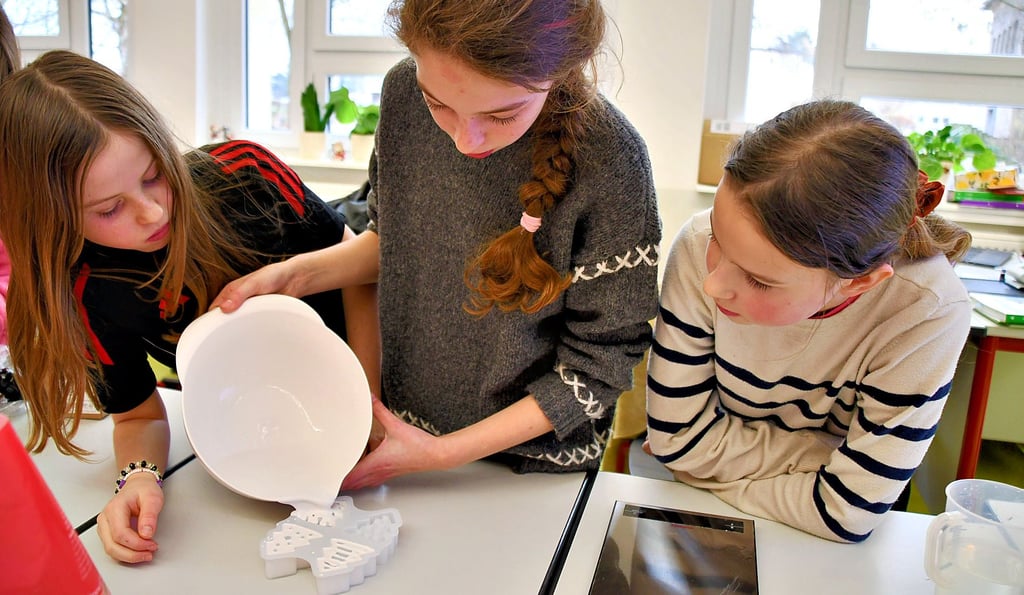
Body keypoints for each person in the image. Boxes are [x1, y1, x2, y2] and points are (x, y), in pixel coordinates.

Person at [213, 0, 660, 489]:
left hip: (535, 469)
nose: (466, 141)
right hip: (408, 439)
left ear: (561, 69)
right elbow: (395, 241)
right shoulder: (403, 93)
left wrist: (442, 454)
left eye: (502, 115)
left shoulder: (613, 160)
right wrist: (294, 275)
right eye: (439, 105)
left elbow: (599, 367)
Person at [0, 45, 381, 562]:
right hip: (258, 437)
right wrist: (137, 479)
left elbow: (363, 271)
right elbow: (137, 418)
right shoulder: (87, 288)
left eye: (154, 174)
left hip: (374, 392)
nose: (151, 210)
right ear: (57, 220)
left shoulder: (246, 179)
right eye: (110, 209)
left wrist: (369, 404)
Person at [645, 99, 973, 543]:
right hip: (724, 514)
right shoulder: (697, 243)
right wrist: (826, 458)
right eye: (719, 243)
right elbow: (674, 440)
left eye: (759, 281)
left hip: (824, 545)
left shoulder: (928, 309)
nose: (713, 285)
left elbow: (848, 513)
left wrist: (701, 461)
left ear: (857, 284)